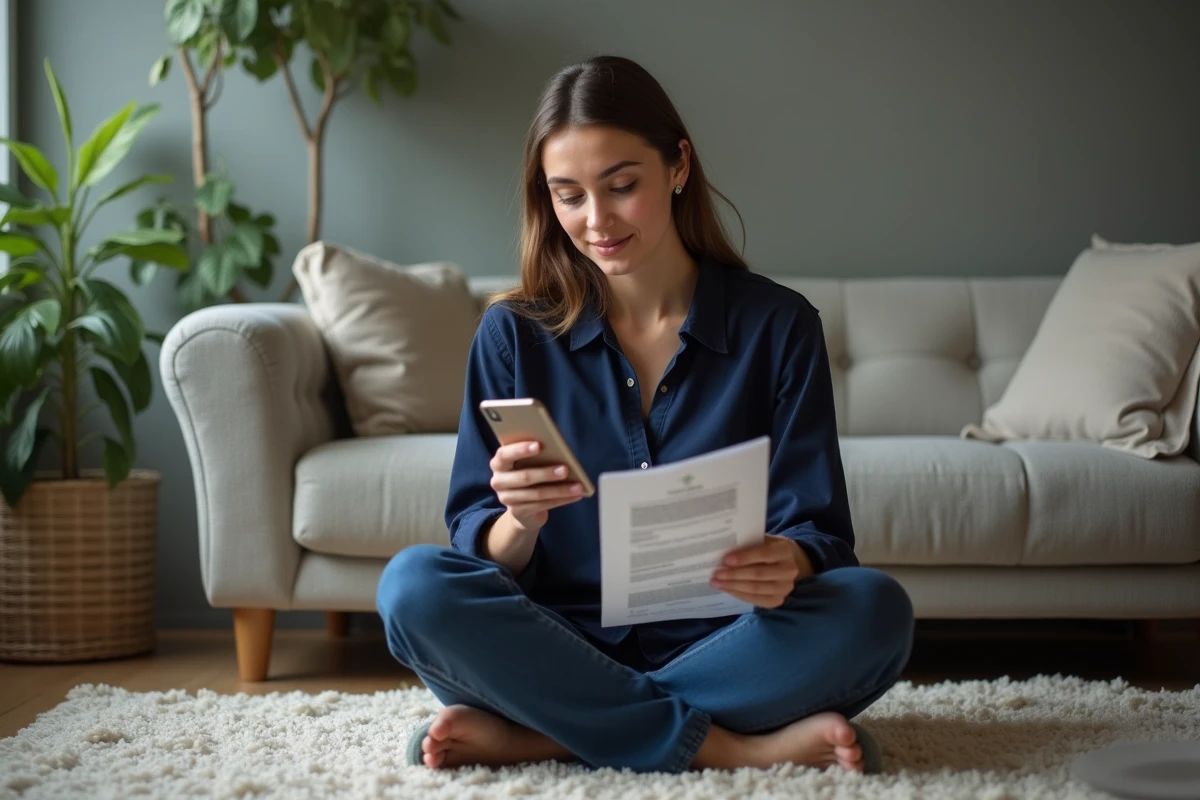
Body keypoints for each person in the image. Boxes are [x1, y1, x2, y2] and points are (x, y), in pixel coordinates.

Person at [375, 54, 914, 776]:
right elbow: (477, 544)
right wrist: (521, 521)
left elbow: (819, 530)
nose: (595, 222)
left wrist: (786, 559)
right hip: (552, 638)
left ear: (678, 167)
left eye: (621, 186)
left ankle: (549, 733)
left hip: (729, 643)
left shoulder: (779, 327)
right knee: (413, 587)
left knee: (874, 610)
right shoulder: (513, 333)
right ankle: (731, 748)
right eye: (568, 196)